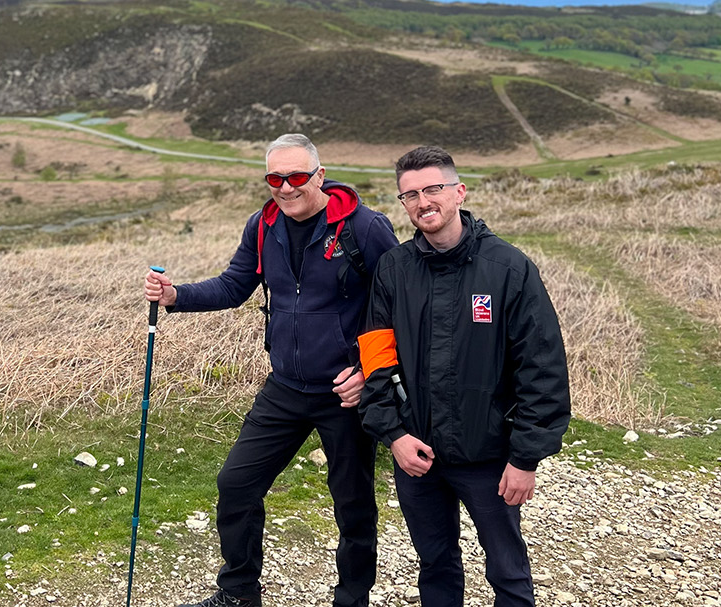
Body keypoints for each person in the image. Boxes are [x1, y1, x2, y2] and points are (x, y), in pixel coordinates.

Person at [144, 133, 399, 607]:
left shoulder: (366, 228)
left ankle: (352, 599)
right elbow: (234, 285)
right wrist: (176, 296)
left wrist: (369, 372)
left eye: (297, 176)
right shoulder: (263, 226)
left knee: (353, 506)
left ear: (319, 176)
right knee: (235, 484)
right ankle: (239, 594)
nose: (286, 187)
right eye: (275, 178)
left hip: (345, 393)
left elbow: (400, 304)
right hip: (284, 387)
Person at [356, 145, 571, 607]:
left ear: (459, 192)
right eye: (409, 195)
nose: (422, 202)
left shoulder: (509, 269)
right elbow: (375, 357)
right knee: (435, 565)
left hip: (489, 456)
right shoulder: (394, 269)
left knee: (508, 571)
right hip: (417, 454)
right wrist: (393, 434)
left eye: (432, 189)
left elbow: (542, 368)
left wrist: (525, 457)